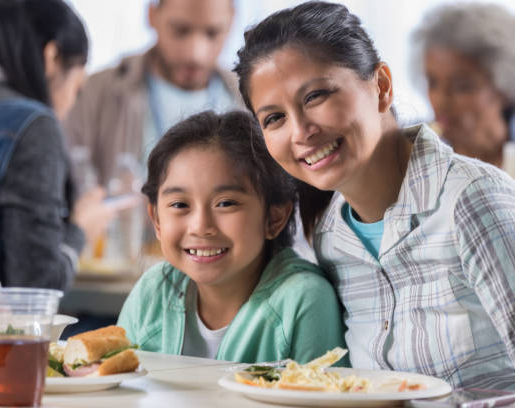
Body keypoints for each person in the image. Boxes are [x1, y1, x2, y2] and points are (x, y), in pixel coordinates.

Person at [233, 1, 515, 405]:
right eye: (274, 118)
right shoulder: (332, 237)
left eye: (316, 96)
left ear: (381, 85)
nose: (300, 131)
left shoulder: (473, 201)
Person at [117, 110, 347, 364]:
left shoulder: (303, 299)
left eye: (226, 203)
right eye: (180, 205)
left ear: (274, 218)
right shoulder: (153, 291)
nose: (201, 226)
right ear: (157, 219)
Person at [411, 3, 515, 272]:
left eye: (461, 86)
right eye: (432, 82)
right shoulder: (409, 153)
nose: (440, 101)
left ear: (504, 87)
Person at [0, 0, 114, 289]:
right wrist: (80, 229)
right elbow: (37, 285)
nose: (71, 104)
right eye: (77, 89)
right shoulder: (32, 126)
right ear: (51, 56)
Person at [64, 0, 242, 185]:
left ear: (232, 22)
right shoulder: (95, 91)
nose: (195, 54)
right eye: (180, 31)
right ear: (151, 15)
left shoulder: (249, 97)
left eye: (212, 33)